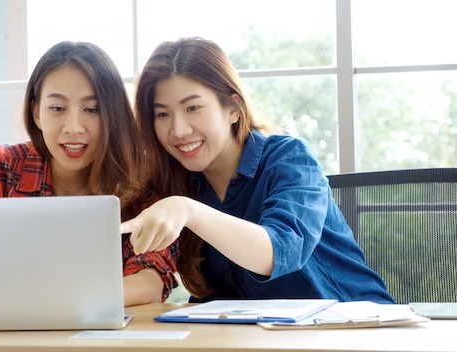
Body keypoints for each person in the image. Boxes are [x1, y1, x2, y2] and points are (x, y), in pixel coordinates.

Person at [121, 37, 395, 304]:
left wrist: (188, 211)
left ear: (233, 109)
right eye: (162, 114)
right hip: (261, 337)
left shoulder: (289, 160)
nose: (178, 130)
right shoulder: (176, 184)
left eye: (193, 107)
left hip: (353, 327)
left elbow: (278, 251)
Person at [0, 41, 178, 308]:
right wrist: (40, 302)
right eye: (57, 108)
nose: (73, 127)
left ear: (112, 114)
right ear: (37, 114)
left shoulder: (141, 180)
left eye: (91, 109)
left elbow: (150, 282)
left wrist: (33, 299)